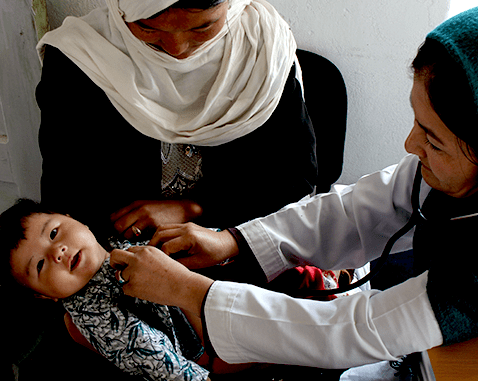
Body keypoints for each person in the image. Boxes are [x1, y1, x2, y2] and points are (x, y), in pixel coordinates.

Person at [109, 7, 478, 371]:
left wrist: (187, 291)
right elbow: (354, 211)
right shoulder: (438, 174)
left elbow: (356, 331)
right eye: (416, 122)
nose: (410, 145)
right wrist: (232, 241)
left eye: (434, 141)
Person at [35, 0, 329, 246]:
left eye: (202, 26)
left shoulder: (261, 49)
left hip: (240, 239)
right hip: (120, 253)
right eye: (147, 27)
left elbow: (294, 176)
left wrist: (193, 209)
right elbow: (66, 195)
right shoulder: (80, 59)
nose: (176, 48)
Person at [2, 198, 263, 381]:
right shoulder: (93, 315)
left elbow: (195, 242)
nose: (57, 252)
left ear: (74, 219)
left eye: (54, 233)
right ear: (45, 295)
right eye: (39, 265)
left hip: (228, 289)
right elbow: (152, 355)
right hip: (216, 347)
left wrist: (236, 246)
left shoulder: (120, 241)